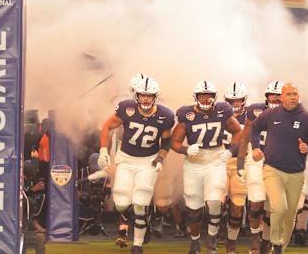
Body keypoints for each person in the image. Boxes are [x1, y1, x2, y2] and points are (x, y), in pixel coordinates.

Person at [98, 74, 175, 254]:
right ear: (136, 95)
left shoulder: (165, 115)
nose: (145, 99)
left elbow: (165, 143)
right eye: (142, 95)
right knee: (121, 203)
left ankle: (137, 245)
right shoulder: (126, 108)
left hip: (148, 161)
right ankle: (138, 220)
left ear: (155, 96)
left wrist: (161, 158)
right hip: (126, 159)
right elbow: (107, 127)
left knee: (140, 202)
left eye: (149, 96)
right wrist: (103, 150)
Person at [249, 83, 308, 254]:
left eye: (295, 94)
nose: (292, 97)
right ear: (281, 97)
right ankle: (275, 244)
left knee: (290, 215)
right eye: (288, 94)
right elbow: (254, 128)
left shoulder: (307, 118)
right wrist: (255, 147)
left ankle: (281, 247)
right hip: (272, 169)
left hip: (296, 173)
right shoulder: (270, 114)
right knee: (279, 208)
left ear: (299, 96)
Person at [170, 81, 243, 254]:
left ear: (214, 97)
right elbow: (174, 142)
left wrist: (231, 150)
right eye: (202, 95)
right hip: (194, 163)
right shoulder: (186, 115)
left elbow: (238, 132)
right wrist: (186, 149)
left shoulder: (222, 111)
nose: (205, 98)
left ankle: (211, 239)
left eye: (208, 95)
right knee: (194, 208)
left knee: (215, 200)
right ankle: (195, 241)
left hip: (215, 159)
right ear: (196, 97)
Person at [237, 81, 284, 254]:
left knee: (274, 206)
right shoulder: (255, 111)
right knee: (255, 201)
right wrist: (240, 164)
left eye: (279, 95)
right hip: (256, 159)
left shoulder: (295, 114)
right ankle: (255, 236)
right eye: (272, 95)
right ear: (266, 96)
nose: (275, 98)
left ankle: (266, 239)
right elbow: (244, 138)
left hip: (279, 162)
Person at [222, 82, 248, 254]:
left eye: (238, 100)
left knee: (238, 205)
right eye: (232, 101)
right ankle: (212, 235)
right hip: (220, 162)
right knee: (215, 203)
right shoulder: (218, 114)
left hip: (241, 162)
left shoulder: (253, 116)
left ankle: (231, 241)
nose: (235, 104)